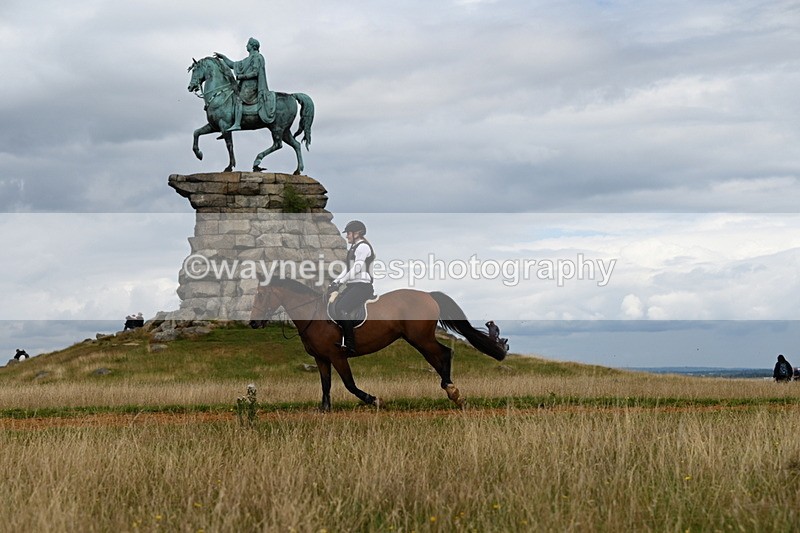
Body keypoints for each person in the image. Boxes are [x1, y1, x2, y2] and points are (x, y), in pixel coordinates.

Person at [329, 220, 375, 355]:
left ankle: (350, 344)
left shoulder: (363, 247)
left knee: (342, 308)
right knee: (335, 304)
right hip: (353, 285)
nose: (347, 236)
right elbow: (347, 269)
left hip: (362, 286)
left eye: (348, 233)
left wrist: (341, 281)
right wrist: (335, 282)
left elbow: (357, 267)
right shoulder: (353, 248)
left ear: (357, 233)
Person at [214, 37, 276, 134]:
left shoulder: (257, 57)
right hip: (245, 86)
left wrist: (242, 76)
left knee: (238, 99)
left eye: (248, 44)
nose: (246, 46)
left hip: (252, 87)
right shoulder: (247, 59)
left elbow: (255, 73)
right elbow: (233, 64)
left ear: (252, 46)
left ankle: (237, 123)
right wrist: (224, 57)